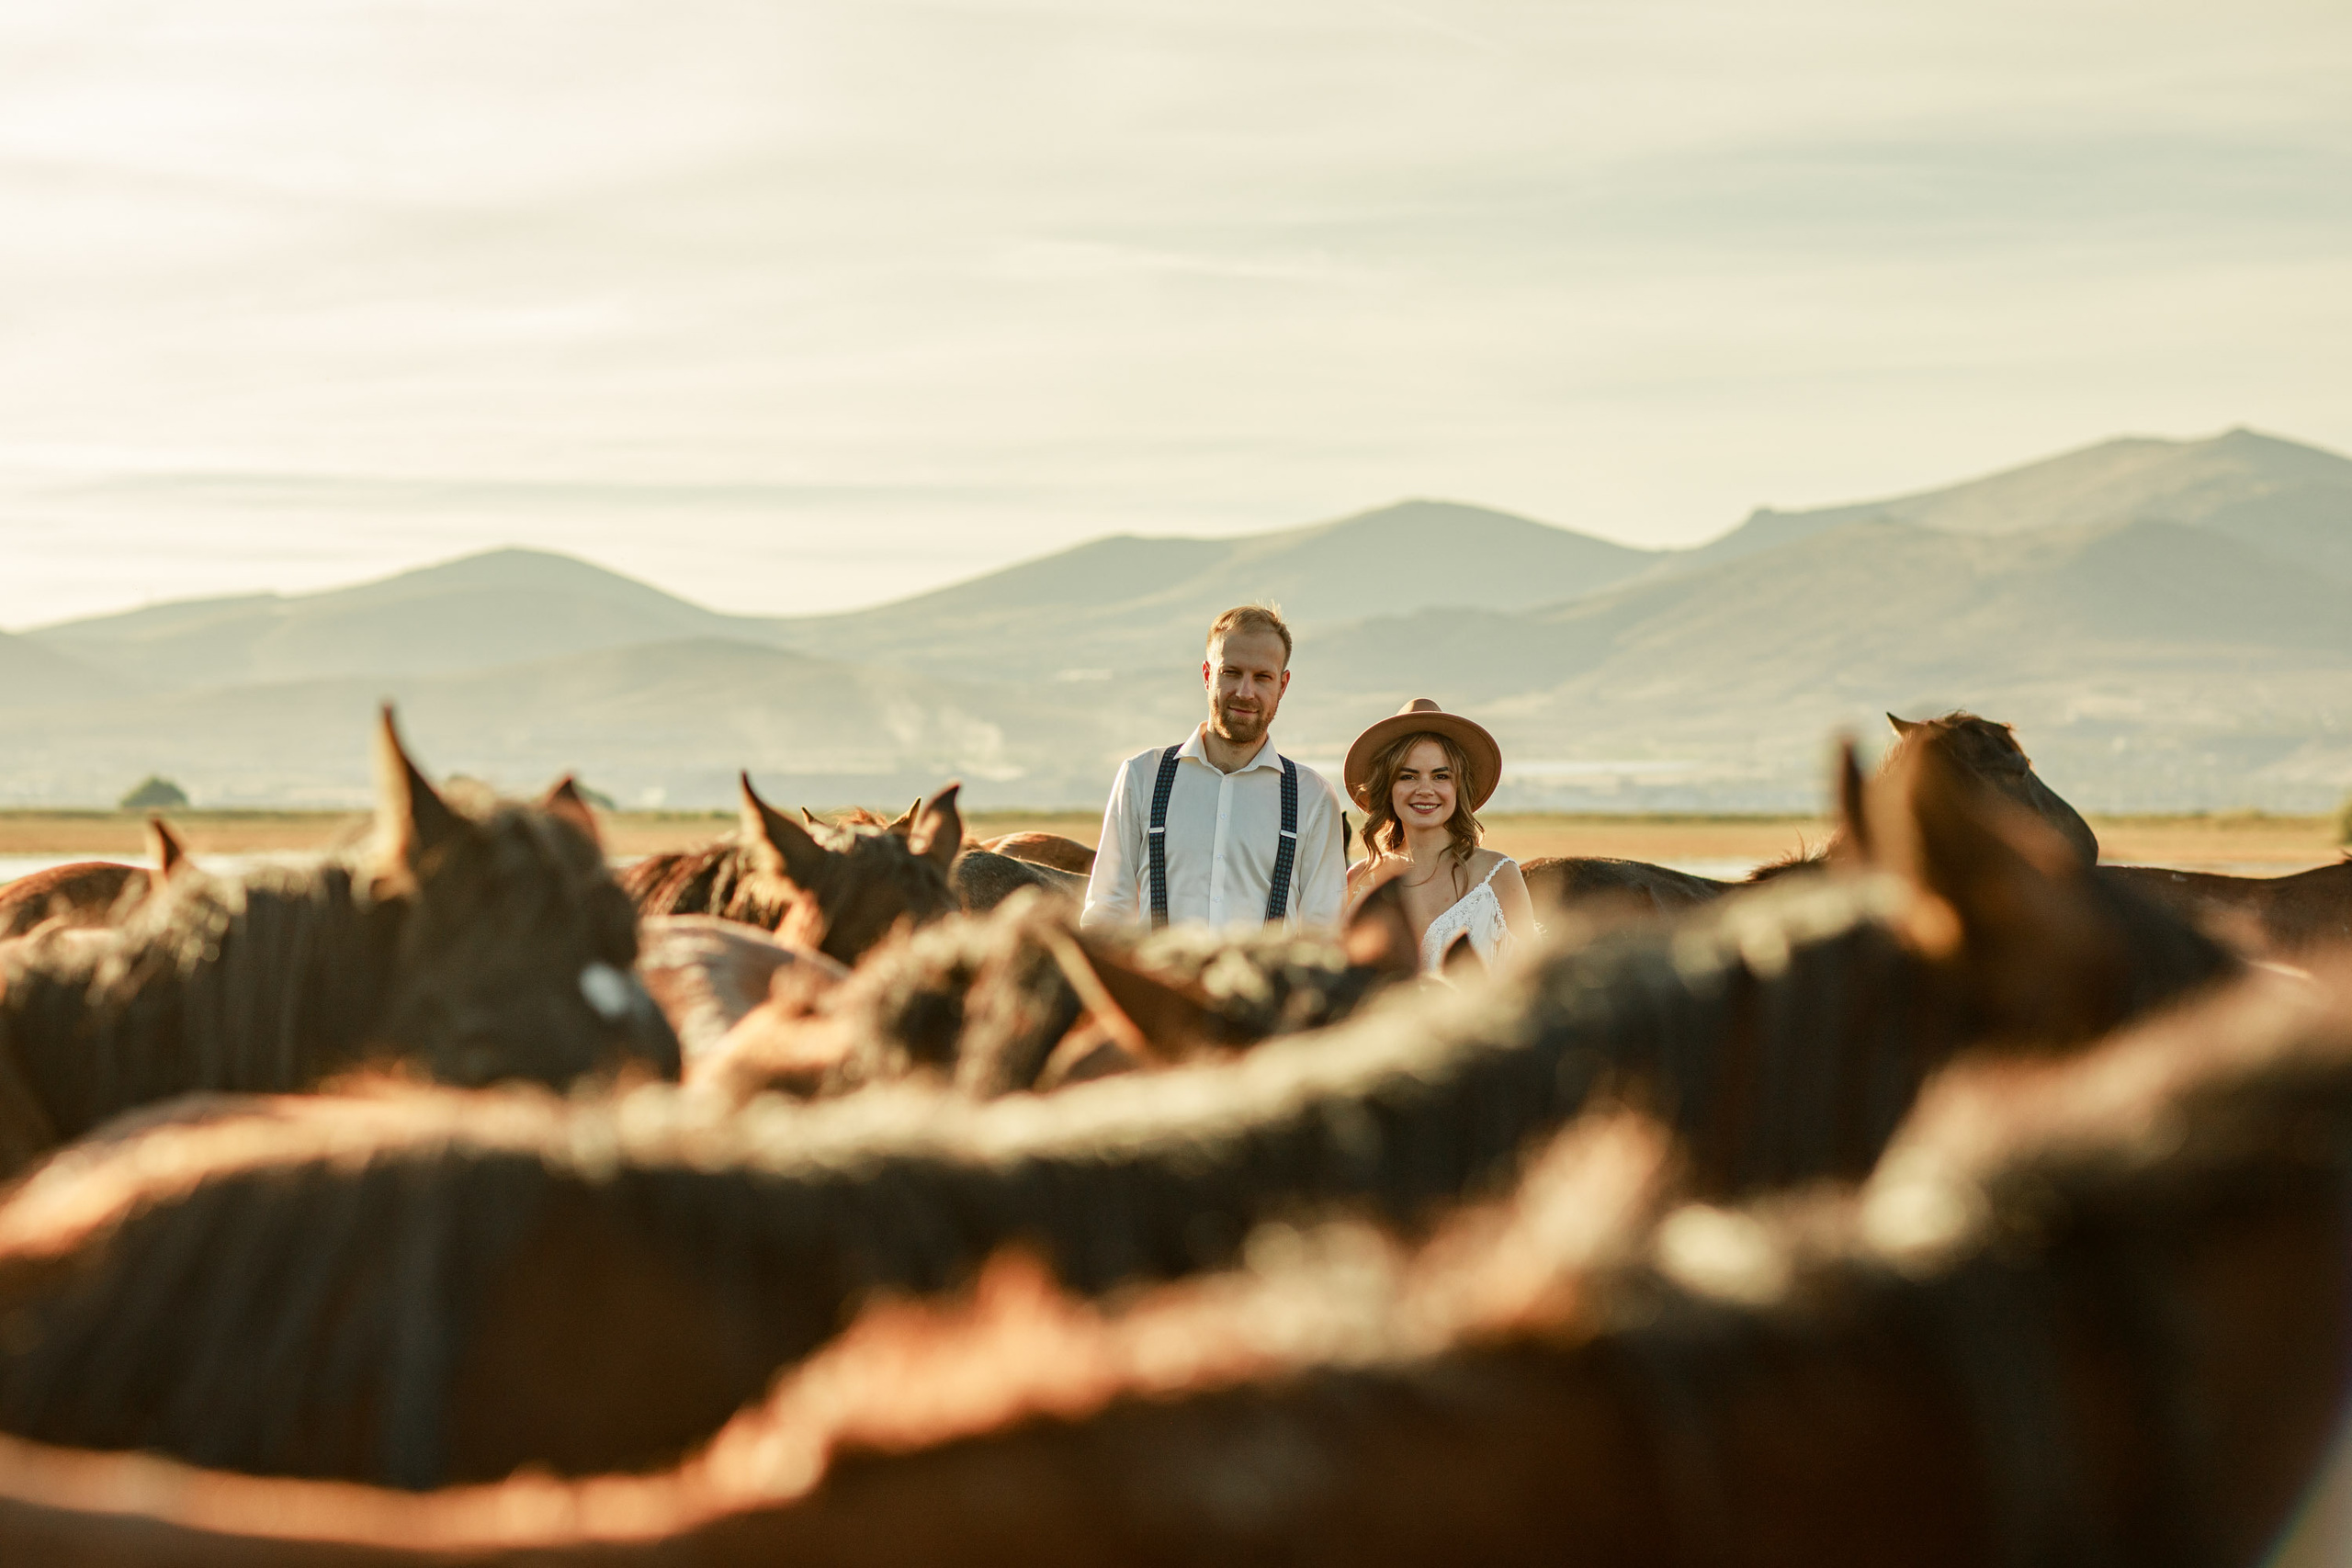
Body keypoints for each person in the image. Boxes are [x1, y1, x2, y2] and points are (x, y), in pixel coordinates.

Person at [1081, 604, 1347, 931]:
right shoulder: (1141, 777)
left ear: (1283, 684)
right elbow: (1107, 912)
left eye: (1262, 677)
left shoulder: (1313, 797)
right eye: (1231, 672)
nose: (1245, 692)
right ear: (1208, 675)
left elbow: (1323, 933)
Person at [1342, 698, 1534, 973]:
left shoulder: (1499, 875)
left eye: (1440, 776)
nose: (1424, 789)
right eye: (1407, 776)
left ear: (1458, 787)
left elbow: (1532, 985)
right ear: (1388, 787)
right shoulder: (1358, 881)